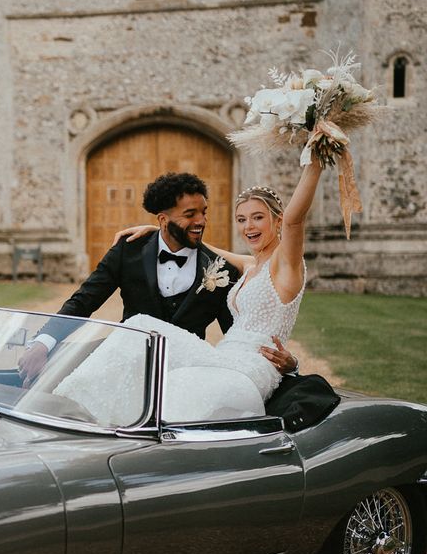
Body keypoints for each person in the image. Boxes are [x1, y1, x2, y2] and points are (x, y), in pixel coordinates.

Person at [61, 153, 323, 421]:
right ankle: (76, 412)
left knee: (141, 326)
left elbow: (295, 221)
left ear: (278, 221)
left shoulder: (287, 266)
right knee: (141, 340)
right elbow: (202, 246)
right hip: (220, 359)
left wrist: (314, 164)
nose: (248, 227)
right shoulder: (248, 266)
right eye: (242, 219)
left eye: (258, 218)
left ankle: (68, 405)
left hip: (249, 369)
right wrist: (160, 230)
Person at [18, 172, 298, 389]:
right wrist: (43, 343)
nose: (201, 220)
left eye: (204, 212)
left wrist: (288, 365)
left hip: (182, 377)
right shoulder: (129, 250)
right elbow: (83, 301)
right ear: (163, 220)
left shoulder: (221, 269)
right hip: (126, 360)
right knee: (55, 375)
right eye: (190, 214)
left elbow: (238, 336)